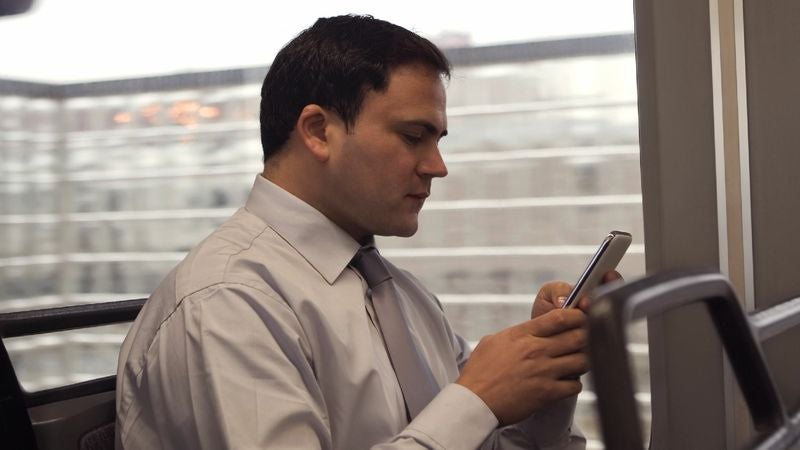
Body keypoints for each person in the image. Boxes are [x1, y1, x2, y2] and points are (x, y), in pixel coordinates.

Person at [116, 14, 616, 450]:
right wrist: (477, 400)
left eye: (437, 140)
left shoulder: (400, 294)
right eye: (413, 136)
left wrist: (544, 373)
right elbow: (466, 417)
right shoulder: (227, 302)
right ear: (317, 131)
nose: (438, 167)